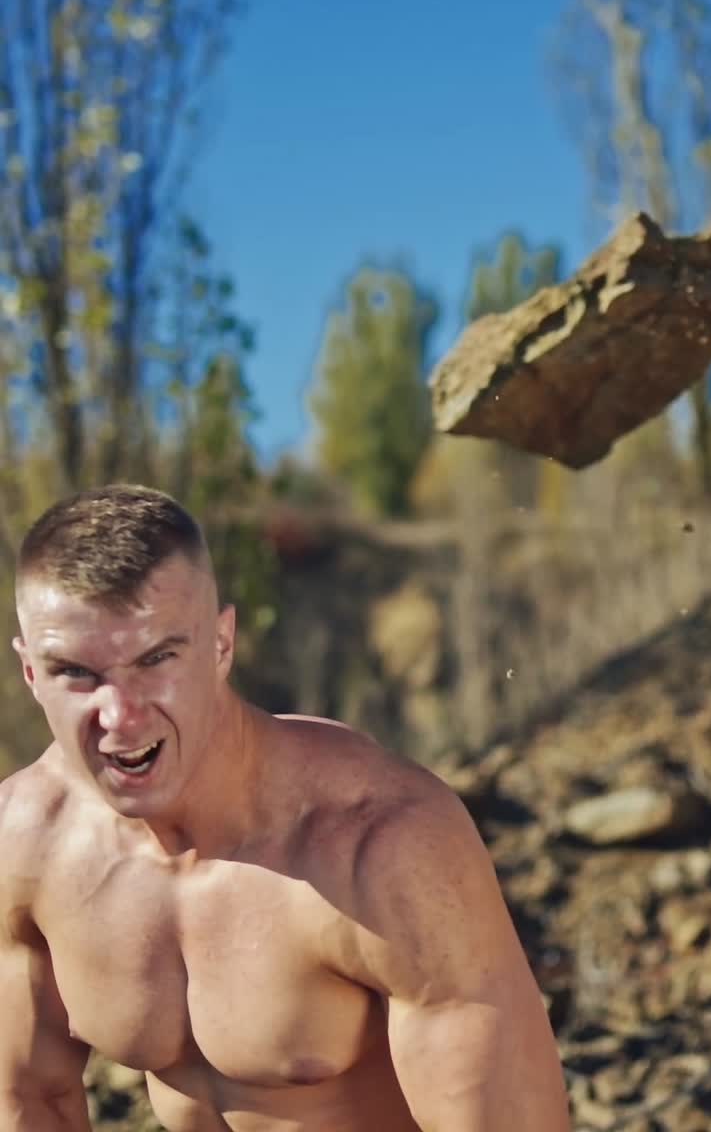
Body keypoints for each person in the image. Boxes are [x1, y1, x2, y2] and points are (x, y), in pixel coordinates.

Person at [0, 484, 572, 1131]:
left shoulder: (382, 845)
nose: (121, 717)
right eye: (78, 673)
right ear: (30, 673)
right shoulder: (25, 842)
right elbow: (30, 1101)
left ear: (220, 645)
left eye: (156, 659)